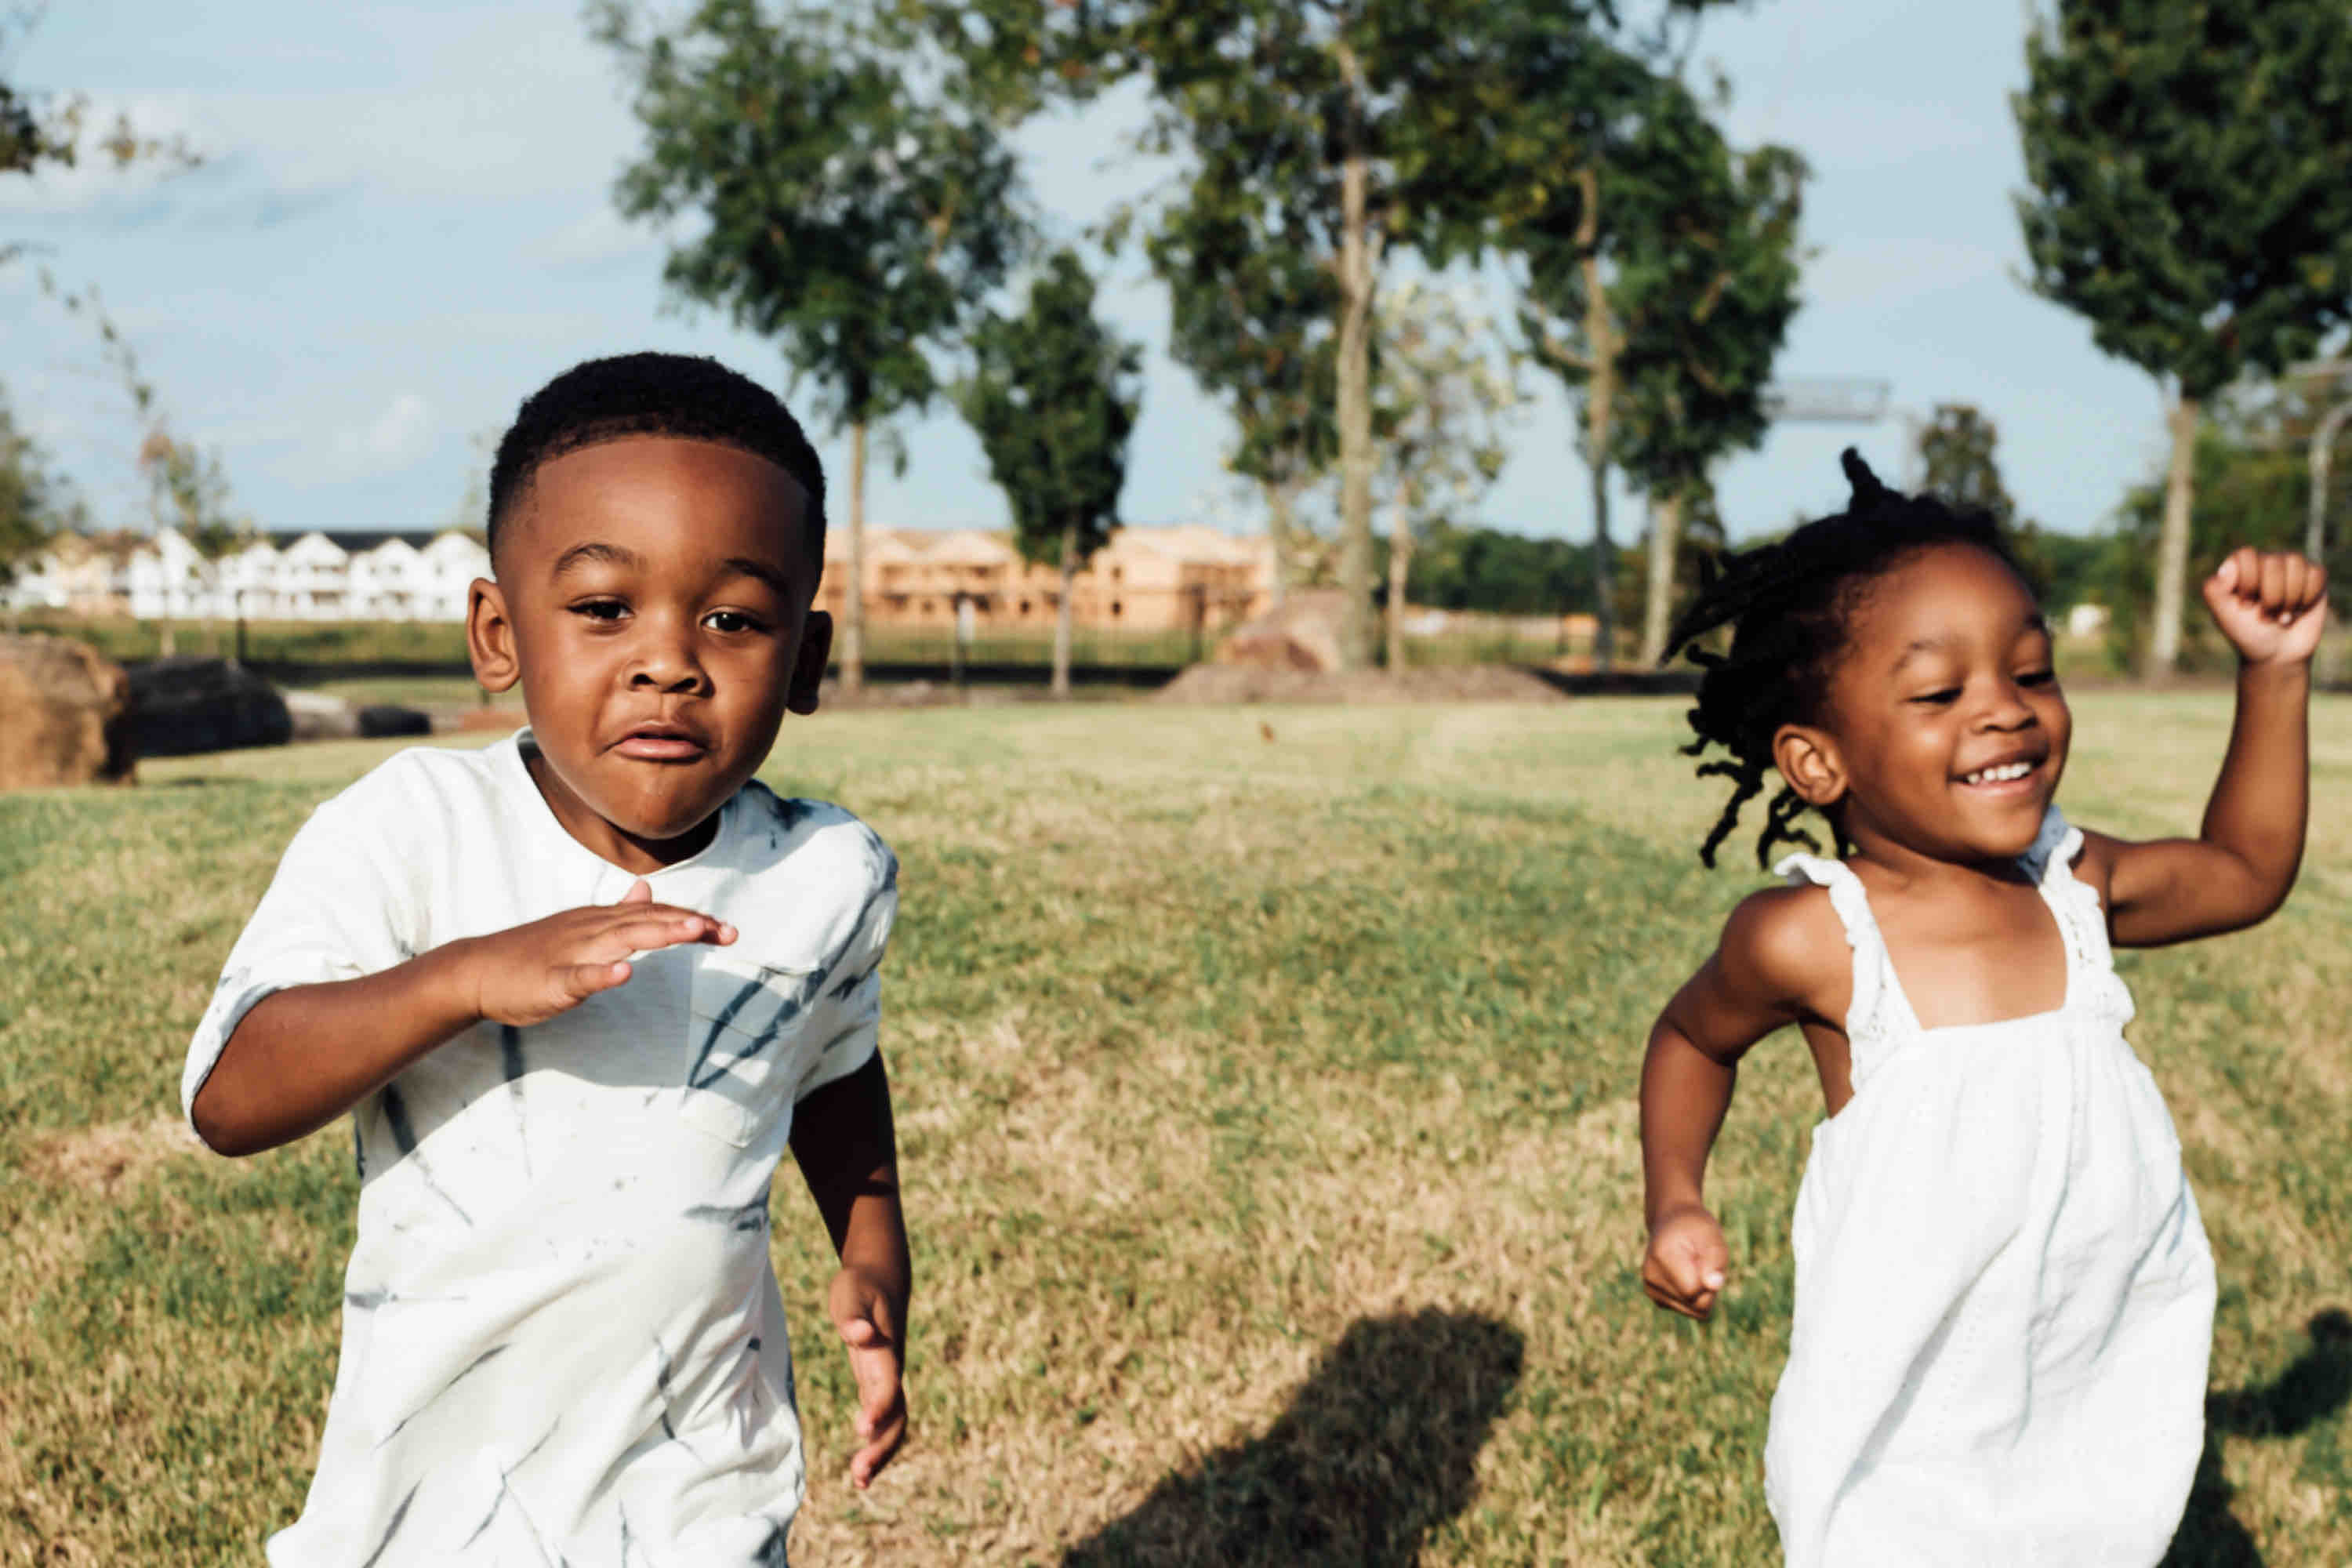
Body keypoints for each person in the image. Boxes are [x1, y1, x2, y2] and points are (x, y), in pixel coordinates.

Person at [181, 352, 909, 1566]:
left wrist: (874, 1256)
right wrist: (458, 979)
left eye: (732, 618)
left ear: (808, 658)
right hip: (433, 1502)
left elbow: (834, 1068)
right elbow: (230, 1097)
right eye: (604, 609)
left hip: (700, 1492)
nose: (669, 660)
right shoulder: (416, 830)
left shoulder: (825, 873)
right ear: (498, 633)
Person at [1637, 450, 2326, 1566]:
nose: (2006, 713)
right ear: (1817, 761)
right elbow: (1689, 1040)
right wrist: (1677, 1200)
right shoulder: (1813, 938)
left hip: (2090, 1399)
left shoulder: (2073, 886)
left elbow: (2244, 871)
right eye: (1939, 694)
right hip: (1906, 1437)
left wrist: (2276, 672)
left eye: (2032, 673)